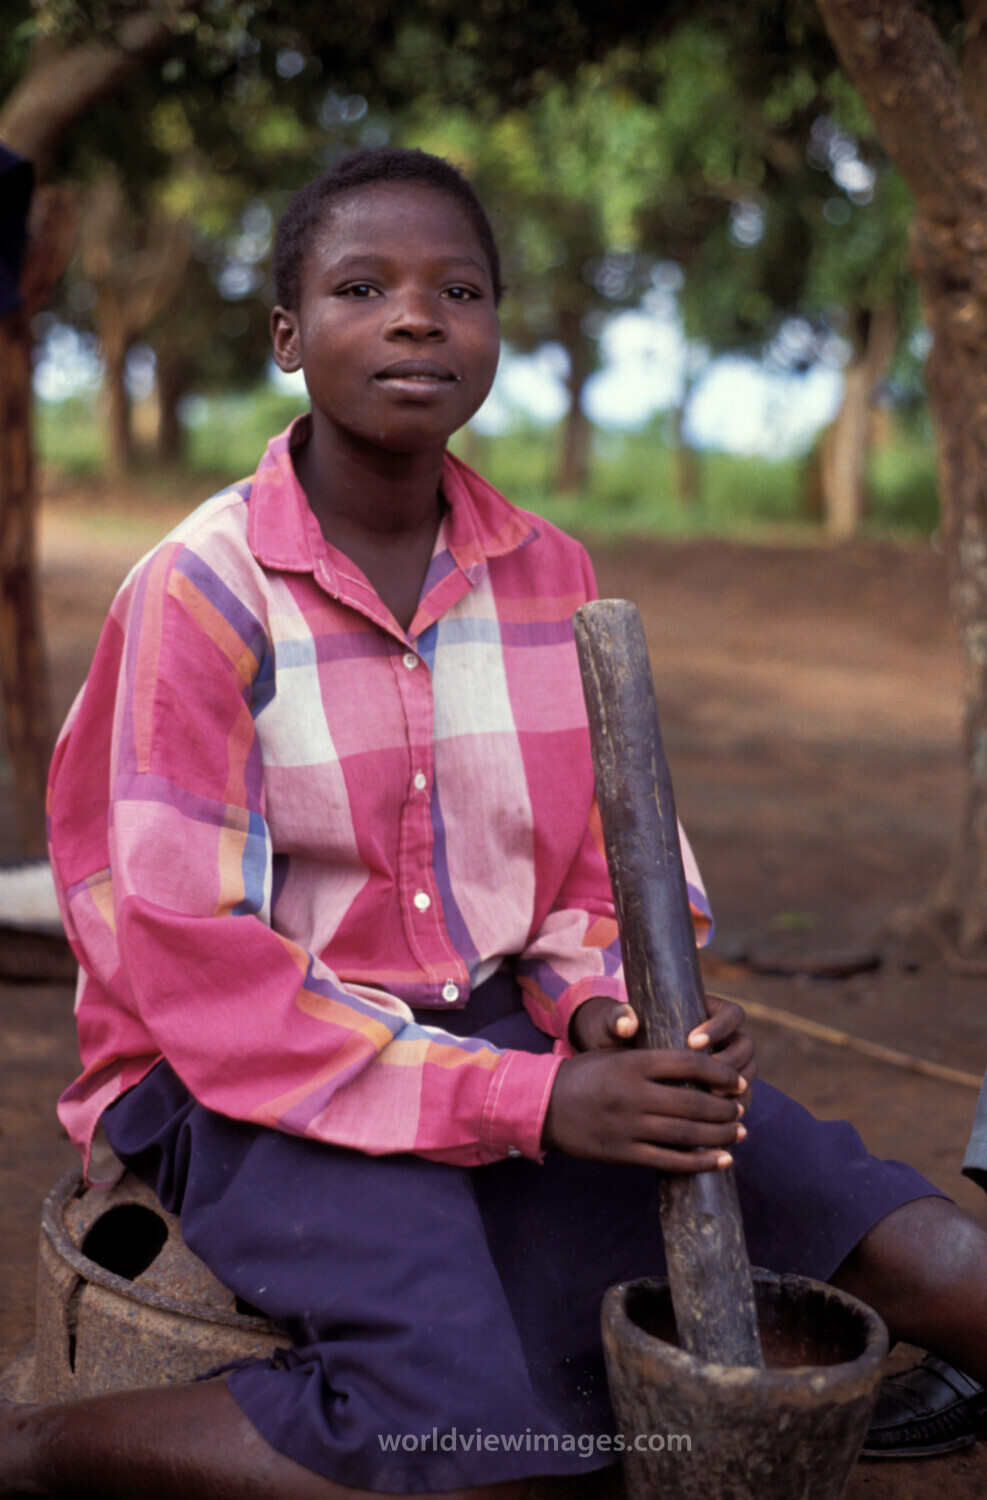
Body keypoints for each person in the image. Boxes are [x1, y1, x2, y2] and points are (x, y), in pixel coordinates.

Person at [4, 146, 987, 1499]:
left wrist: (608, 1011)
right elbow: (195, 969)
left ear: (497, 332)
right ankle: (41, 1449)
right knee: (478, 1445)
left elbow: (591, 872)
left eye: (457, 290)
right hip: (251, 1086)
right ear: (289, 336)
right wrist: (533, 1102)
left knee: (945, 1268)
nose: (417, 317)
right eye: (363, 287)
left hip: (499, 1031)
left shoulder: (548, 572)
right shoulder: (200, 593)